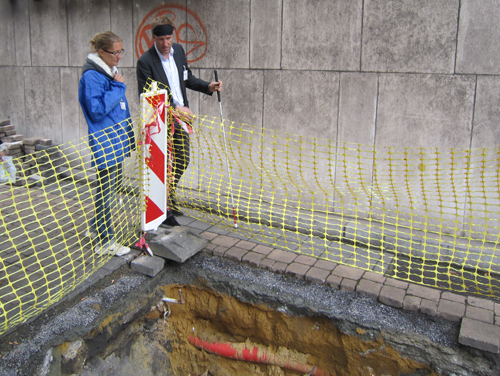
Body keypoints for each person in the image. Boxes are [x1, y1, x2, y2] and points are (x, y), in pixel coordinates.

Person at [137, 15, 222, 227]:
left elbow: (187, 78)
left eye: (168, 38)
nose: (165, 44)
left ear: (173, 36)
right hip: (162, 121)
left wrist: (207, 86)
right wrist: (175, 108)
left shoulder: (179, 52)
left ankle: (170, 193)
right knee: (163, 166)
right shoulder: (145, 62)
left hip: (182, 119)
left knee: (183, 159)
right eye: (160, 40)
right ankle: (165, 211)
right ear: (153, 38)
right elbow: (147, 94)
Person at [79, 31, 135, 256]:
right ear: (101, 52)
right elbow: (97, 110)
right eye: (115, 52)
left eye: (121, 51)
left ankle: (95, 227)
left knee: (111, 188)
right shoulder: (92, 76)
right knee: (106, 192)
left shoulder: (108, 72)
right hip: (106, 142)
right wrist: (118, 88)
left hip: (115, 140)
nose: (120, 56)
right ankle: (105, 241)